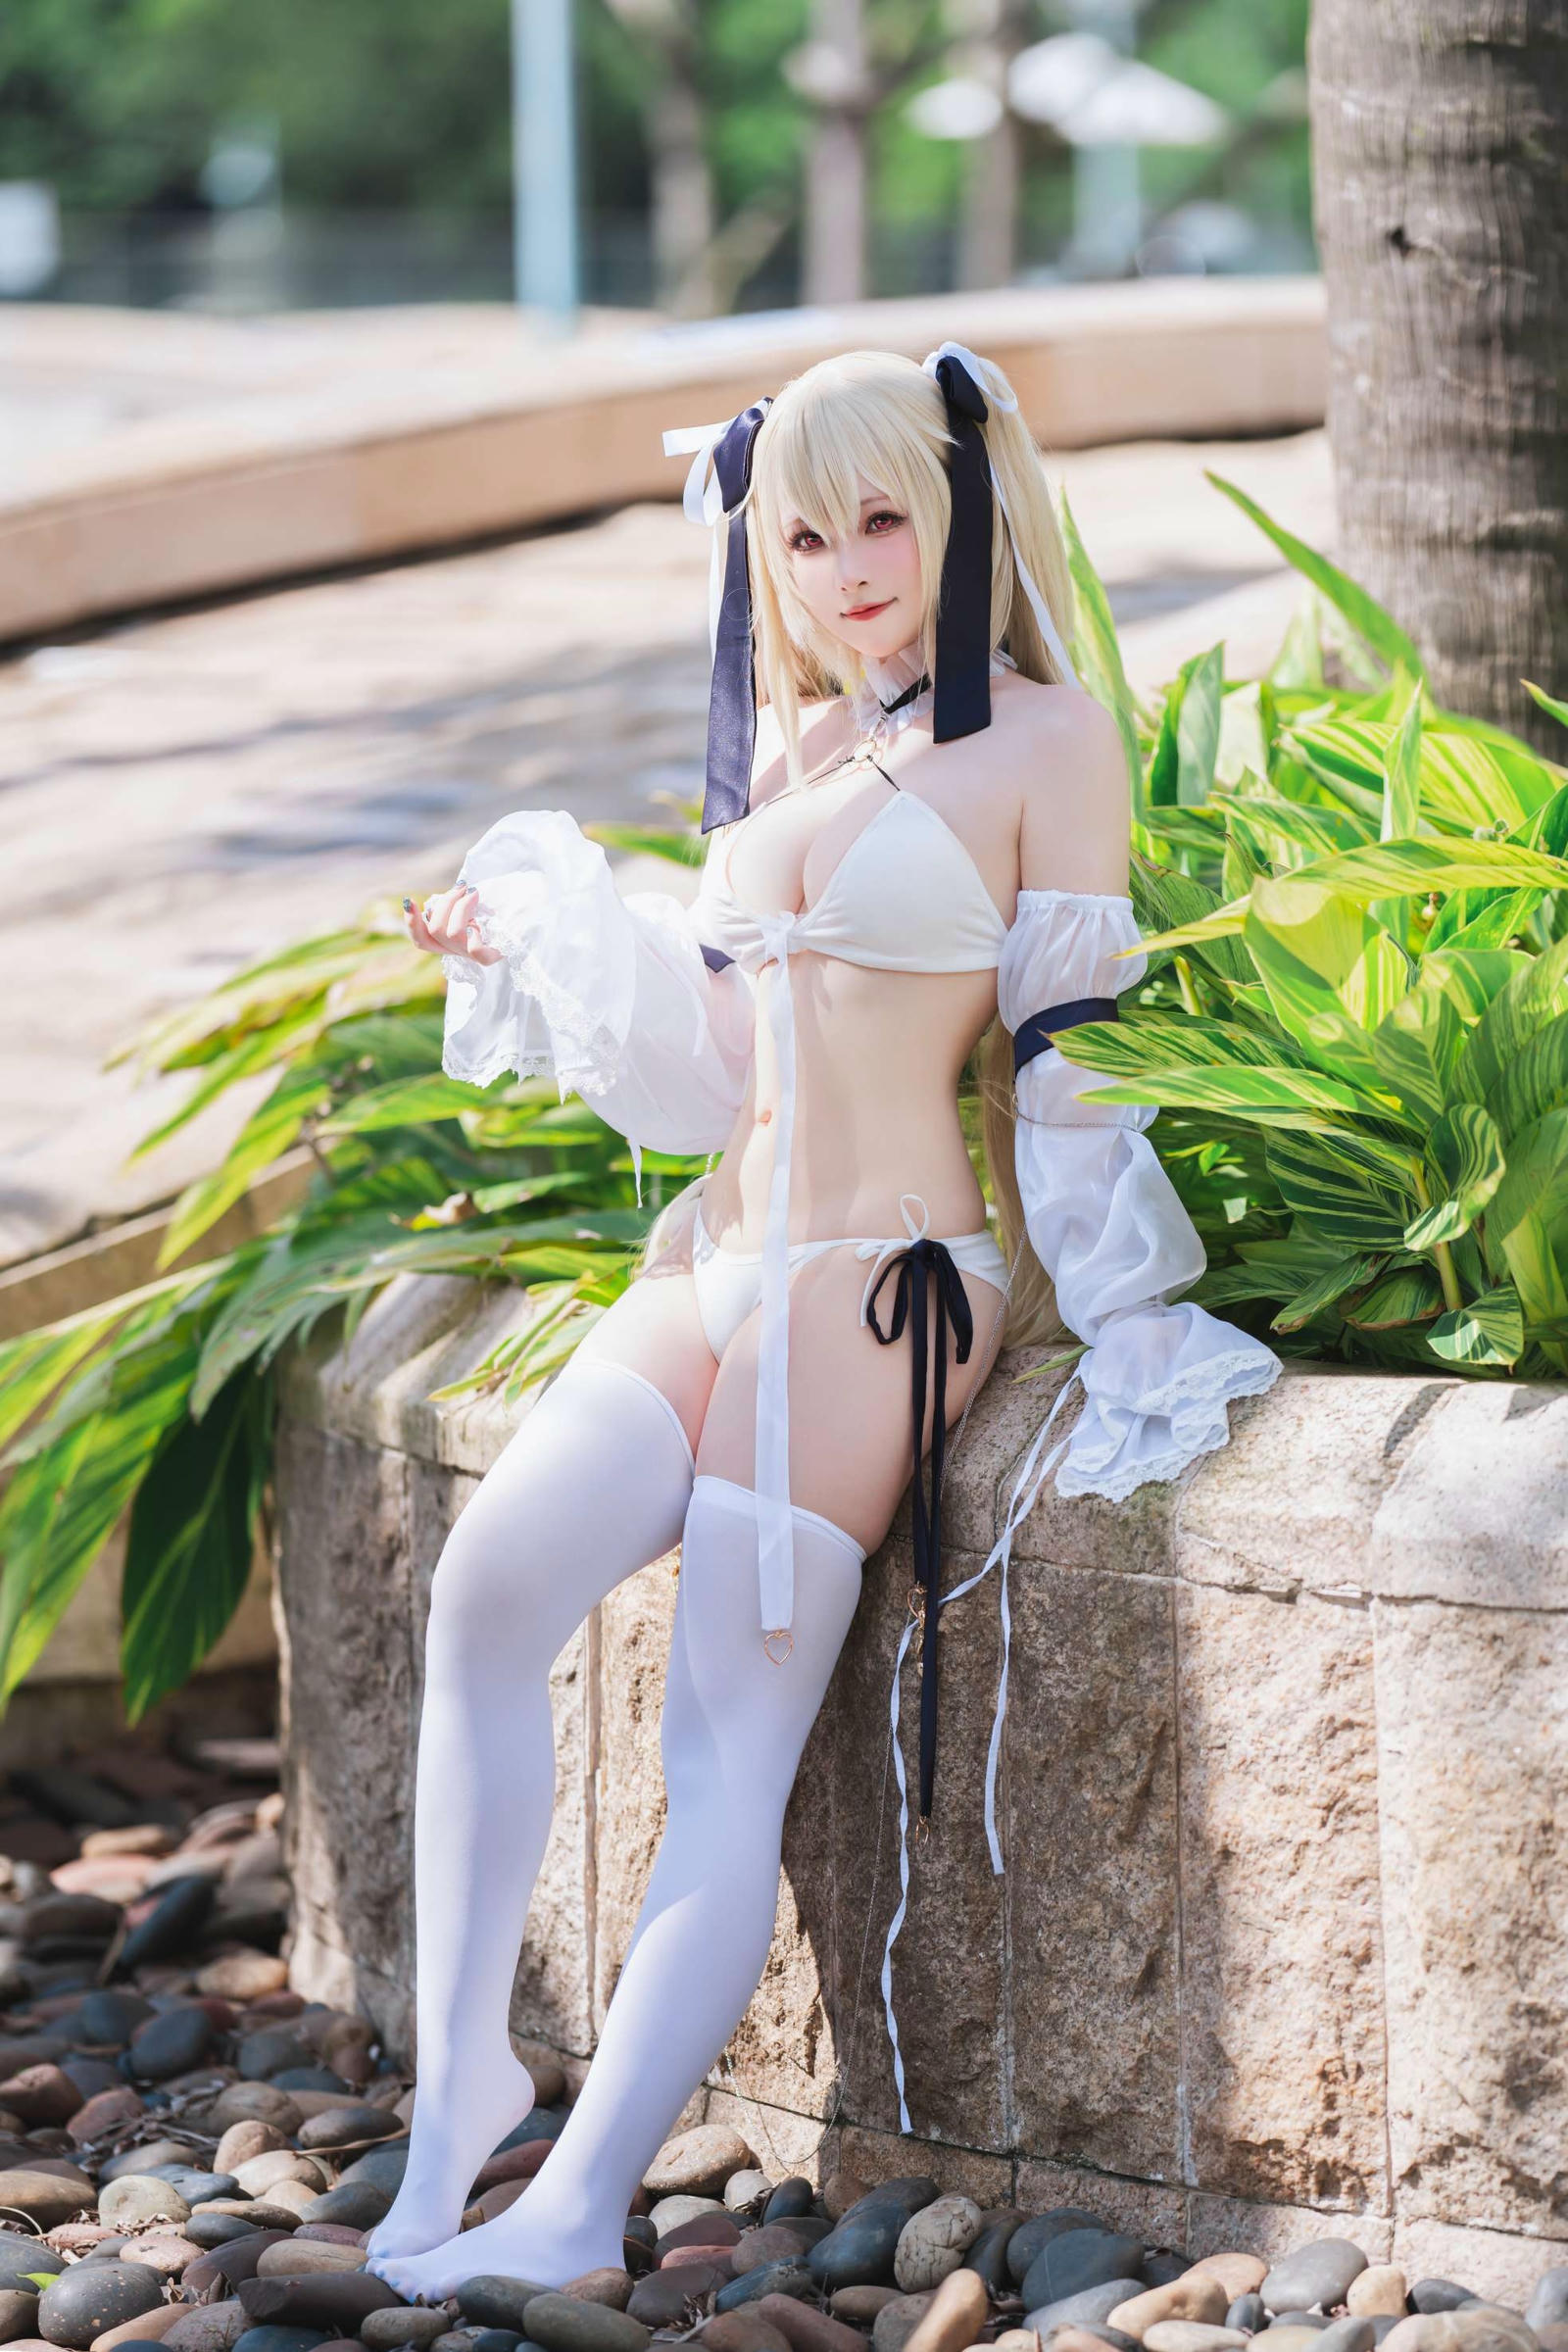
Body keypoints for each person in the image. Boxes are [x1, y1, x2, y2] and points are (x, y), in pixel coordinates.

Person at [365, 343, 1281, 2303]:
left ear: (960, 516)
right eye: (801, 535)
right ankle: (457, 2098)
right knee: (484, 1590)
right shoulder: (788, 755)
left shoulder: (1047, 746)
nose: (844, 567)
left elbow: (1068, 1058)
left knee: (725, 1731)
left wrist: (1132, 1311)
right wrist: (545, 945)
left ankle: (576, 2201)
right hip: (713, 1257)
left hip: (885, 1286)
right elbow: (721, 1056)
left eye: (881, 518)